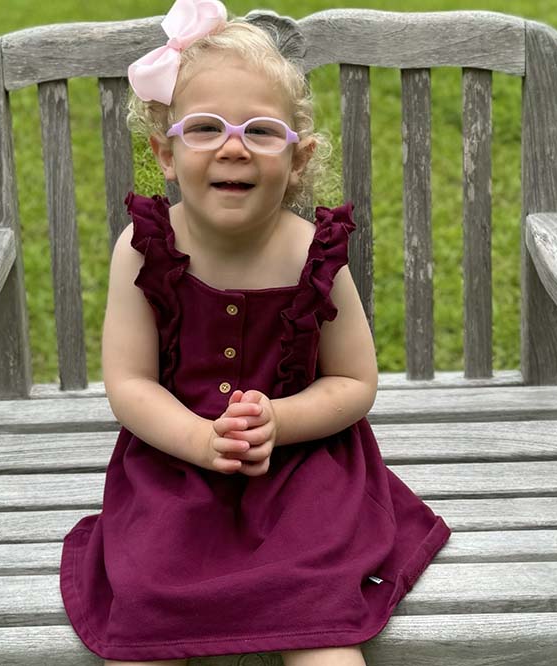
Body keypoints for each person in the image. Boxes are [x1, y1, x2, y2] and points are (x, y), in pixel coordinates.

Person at [59, 1, 451, 664]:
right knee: (149, 605)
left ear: (299, 159)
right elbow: (128, 383)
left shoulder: (312, 254)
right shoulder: (144, 247)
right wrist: (196, 437)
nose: (233, 146)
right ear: (166, 151)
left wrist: (280, 419)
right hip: (176, 469)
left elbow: (354, 382)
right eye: (205, 127)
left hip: (302, 474)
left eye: (261, 131)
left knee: (317, 611)